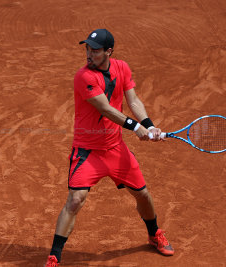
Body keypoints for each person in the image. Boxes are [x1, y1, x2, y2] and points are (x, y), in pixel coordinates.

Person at [45, 29, 174, 267]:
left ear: (108, 52)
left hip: (116, 149)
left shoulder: (122, 67)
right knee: (75, 200)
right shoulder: (83, 76)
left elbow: (133, 100)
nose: (89, 54)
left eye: (95, 50)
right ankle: (54, 256)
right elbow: (105, 109)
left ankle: (154, 234)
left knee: (143, 195)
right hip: (87, 152)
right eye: (87, 49)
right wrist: (136, 127)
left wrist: (149, 125)